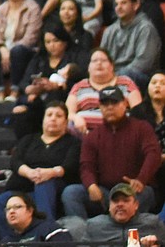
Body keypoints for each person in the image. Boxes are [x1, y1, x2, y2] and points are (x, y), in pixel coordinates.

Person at [63, 85, 160, 219]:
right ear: (100, 107)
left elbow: (153, 154)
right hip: (104, 192)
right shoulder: (93, 136)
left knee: (145, 193)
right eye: (105, 104)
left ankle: (132, 233)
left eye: (114, 103)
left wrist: (141, 179)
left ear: (125, 104)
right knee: (71, 193)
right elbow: (86, 166)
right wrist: (91, 185)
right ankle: (84, 236)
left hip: (133, 190)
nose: (109, 107)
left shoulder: (142, 127)